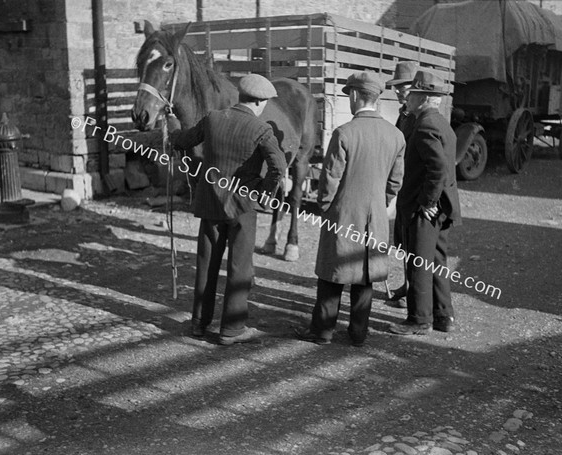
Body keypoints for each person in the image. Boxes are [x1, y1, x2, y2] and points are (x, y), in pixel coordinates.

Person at [168, 73, 287, 345]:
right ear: (258, 102)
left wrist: (172, 123)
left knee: (206, 263)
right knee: (239, 267)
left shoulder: (212, 119)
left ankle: (198, 323)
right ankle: (231, 330)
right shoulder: (262, 129)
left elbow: (182, 141)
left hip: (210, 203)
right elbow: (279, 167)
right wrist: (263, 193)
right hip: (243, 208)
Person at [295, 71, 405, 347]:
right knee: (365, 273)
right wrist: (381, 203)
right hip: (375, 215)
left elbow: (330, 178)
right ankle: (358, 333)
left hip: (342, 214)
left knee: (333, 273)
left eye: (349, 96)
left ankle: (322, 330)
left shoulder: (344, 133)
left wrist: (324, 208)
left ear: (355, 96)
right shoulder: (396, 135)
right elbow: (395, 181)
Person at [388, 70, 461, 336]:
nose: (408, 98)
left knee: (418, 261)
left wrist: (427, 201)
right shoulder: (440, 122)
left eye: (413, 93)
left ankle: (419, 320)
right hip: (442, 206)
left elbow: (438, 168)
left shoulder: (425, 125)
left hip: (425, 208)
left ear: (425, 97)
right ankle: (444, 316)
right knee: (436, 261)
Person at [385, 61, 419, 308]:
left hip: (415, 186)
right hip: (404, 184)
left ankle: (413, 293)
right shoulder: (404, 113)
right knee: (403, 238)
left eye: (403, 87)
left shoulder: (417, 116)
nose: (398, 91)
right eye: (396, 87)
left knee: (414, 242)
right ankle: (407, 286)